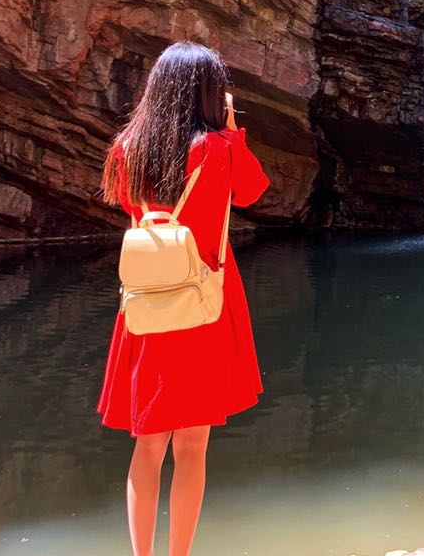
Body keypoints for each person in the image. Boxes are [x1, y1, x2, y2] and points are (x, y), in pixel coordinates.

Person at [96, 42, 268, 556]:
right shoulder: (218, 149)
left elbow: (129, 204)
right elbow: (253, 190)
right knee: (192, 446)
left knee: (148, 445)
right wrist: (233, 132)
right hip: (202, 303)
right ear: (208, 93)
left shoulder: (127, 149)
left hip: (146, 303)